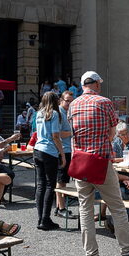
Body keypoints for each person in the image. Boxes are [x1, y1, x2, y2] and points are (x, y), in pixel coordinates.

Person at [68, 70, 129, 256]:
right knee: (117, 207)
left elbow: (73, 135)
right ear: (97, 84)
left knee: (85, 209)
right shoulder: (104, 102)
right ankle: (127, 253)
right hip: (101, 161)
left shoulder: (73, 104)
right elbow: (113, 132)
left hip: (81, 162)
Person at [33, 91, 66, 230]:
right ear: (54, 100)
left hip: (37, 150)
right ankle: (45, 219)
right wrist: (62, 154)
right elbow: (55, 136)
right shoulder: (54, 114)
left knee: (41, 185)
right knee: (49, 185)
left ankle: (41, 218)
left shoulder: (39, 113)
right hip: (49, 151)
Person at [55, 90, 77, 220]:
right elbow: (57, 133)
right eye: (67, 101)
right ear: (61, 100)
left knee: (63, 180)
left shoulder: (68, 113)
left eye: (71, 101)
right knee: (61, 180)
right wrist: (73, 132)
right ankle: (61, 208)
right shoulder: (58, 113)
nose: (69, 103)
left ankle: (59, 207)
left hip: (68, 149)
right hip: (62, 150)